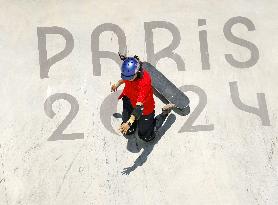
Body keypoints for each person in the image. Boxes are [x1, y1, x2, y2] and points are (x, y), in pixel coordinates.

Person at [111, 53, 175, 142]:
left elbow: (138, 108)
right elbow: (125, 79)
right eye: (126, 76)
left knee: (145, 137)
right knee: (128, 131)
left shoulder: (145, 82)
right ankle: (134, 124)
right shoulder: (130, 74)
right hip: (129, 99)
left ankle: (164, 113)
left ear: (137, 72)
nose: (128, 79)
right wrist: (117, 84)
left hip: (144, 109)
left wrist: (129, 122)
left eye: (130, 78)